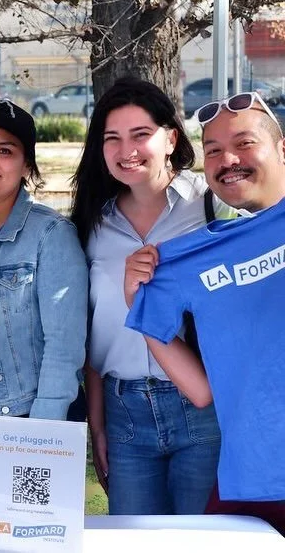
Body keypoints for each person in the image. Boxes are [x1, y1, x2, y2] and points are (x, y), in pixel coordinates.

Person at [124, 91, 285, 534]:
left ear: (282, 148)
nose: (227, 158)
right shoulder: (202, 257)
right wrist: (136, 301)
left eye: (244, 143)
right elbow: (200, 392)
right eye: (212, 150)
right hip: (249, 483)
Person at [69, 77, 221, 515]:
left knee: (202, 544)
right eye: (112, 138)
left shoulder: (211, 207)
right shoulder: (91, 224)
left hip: (201, 407)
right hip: (125, 412)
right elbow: (96, 337)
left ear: (171, 138)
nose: (125, 150)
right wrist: (97, 424)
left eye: (141, 135)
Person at [0, 100, 87, 515]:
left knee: (32, 536)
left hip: (31, 413)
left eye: (4, 150)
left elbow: (65, 348)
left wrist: (41, 437)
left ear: (26, 164)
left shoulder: (51, 235)